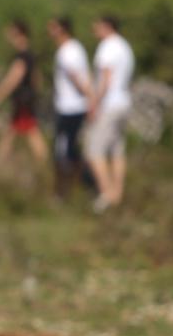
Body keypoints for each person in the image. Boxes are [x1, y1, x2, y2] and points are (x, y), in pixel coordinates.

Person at [87, 14, 135, 211]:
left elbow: (106, 78)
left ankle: (106, 194)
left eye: (97, 25)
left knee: (94, 150)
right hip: (124, 102)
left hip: (109, 104)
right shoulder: (124, 46)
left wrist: (94, 103)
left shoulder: (107, 47)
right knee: (116, 150)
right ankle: (118, 193)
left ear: (107, 26)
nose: (94, 29)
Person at [0, 19, 48, 164]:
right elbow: (37, 79)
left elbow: (13, 79)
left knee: (31, 132)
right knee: (12, 132)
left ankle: (43, 166)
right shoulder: (30, 55)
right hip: (26, 99)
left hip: (23, 101)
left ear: (19, 34)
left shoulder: (22, 57)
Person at [46, 15, 92, 198]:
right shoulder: (76, 47)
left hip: (69, 109)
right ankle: (79, 188)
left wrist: (92, 99)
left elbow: (76, 77)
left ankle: (66, 191)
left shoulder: (66, 52)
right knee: (72, 150)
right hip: (76, 107)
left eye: (52, 27)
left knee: (63, 152)